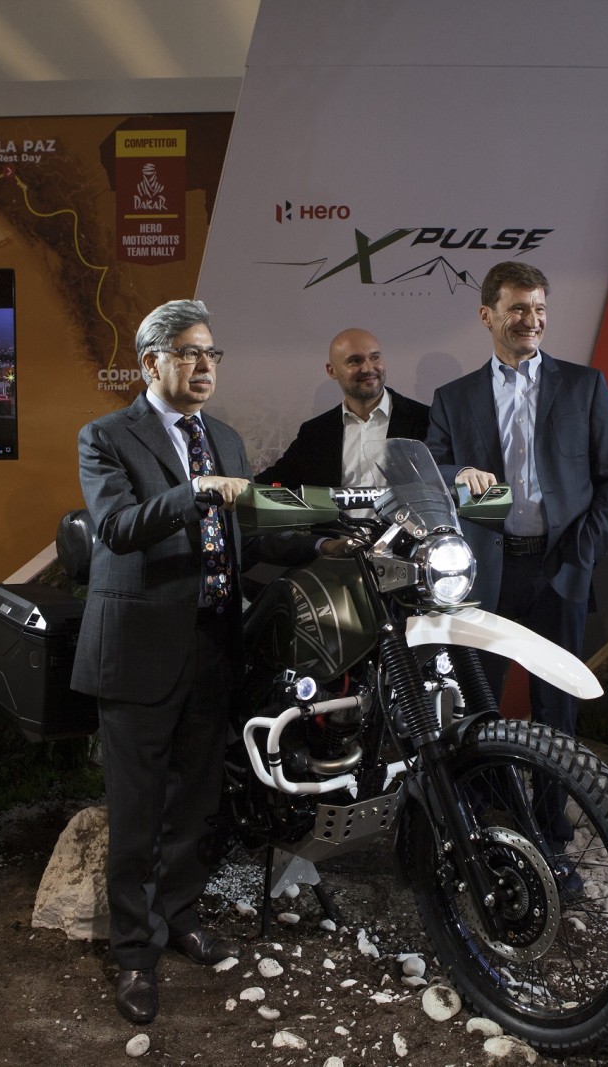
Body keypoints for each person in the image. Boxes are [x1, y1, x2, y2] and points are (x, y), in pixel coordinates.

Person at [70, 299, 321, 1026]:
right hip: (138, 652)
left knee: (196, 803)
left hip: (214, 644)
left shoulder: (228, 440)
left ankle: (178, 916)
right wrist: (195, 492)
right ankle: (134, 954)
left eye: (213, 353)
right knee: (138, 810)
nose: (206, 365)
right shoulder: (106, 436)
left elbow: (253, 538)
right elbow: (117, 527)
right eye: (191, 352)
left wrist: (319, 544)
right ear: (152, 362)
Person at [425, 261, 608, 849]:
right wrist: (457, 473)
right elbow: (432, 474)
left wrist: (581, 556)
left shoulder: (584, 387)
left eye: (539, 308)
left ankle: (551, 830)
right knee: (478, 709)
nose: (531, 320)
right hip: (486, 573)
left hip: (558, 569)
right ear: (487, 315)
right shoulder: (454, 397)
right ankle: (484, 830)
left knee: (557, 712)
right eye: (518, 308)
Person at [256, 327, 430, 490]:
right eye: (355, 361)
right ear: (332, 371)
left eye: (374, 357)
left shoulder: (427, 421)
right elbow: (275, 480)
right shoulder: (314, 434)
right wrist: (240, 484)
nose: (368, 368)